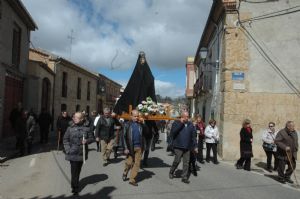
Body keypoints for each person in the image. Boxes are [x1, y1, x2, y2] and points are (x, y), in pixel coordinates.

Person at [63, 112, 94, 195]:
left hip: (82, 153)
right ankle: (75, 187)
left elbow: (92, 138)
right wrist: (68, 150)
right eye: (74, 117)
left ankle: (75, 183)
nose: (74, 119)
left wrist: (87, 141)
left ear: (82, 119)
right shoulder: (70, 128)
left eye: (77, 117)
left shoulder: (87, 128)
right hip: (72, 152)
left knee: (78, 170)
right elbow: (65, 140)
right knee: (74, 171)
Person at [169, 111, 197, 184]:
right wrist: (181, 123)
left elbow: (193, 136)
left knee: (186, 163)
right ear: (182, 116)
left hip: (187, 147)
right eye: (186, 116)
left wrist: (195, 146)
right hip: (178, 146)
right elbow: (173, 133)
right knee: (177, 161)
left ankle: (184, 177)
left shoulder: (190, 124)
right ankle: (171, 171)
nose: (187, 118)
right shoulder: (176, 123)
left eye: (188, 116)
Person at [122, 110, 145, 186]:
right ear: (131, 116)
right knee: (129, 163)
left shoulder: (140, 125)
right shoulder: (127, 124)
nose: (136, 117)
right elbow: (124, 137)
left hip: (139, 147)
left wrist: (144, 124)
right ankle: (125, 172)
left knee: (137, 164)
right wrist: (125, 148)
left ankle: (132, 179)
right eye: (135, 116)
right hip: (130, 147)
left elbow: (147, 132)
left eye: (137, 116)